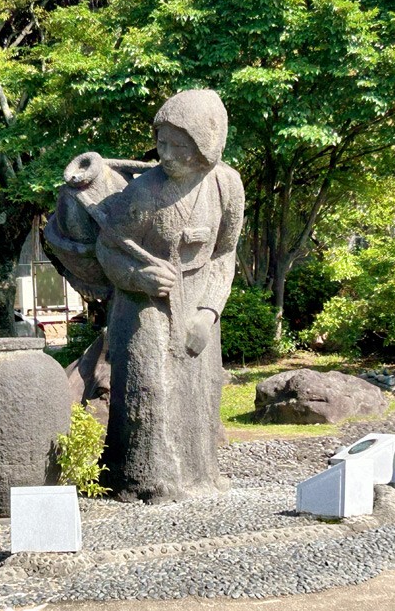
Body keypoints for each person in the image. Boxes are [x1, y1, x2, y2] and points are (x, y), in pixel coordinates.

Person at [95, 89, 245, 502]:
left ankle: (200, 475)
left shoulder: (226, 185)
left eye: (179, 146)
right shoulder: (143, 191)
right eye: (162, 143)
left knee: (200, 389)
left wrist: (209, 311)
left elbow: (225, 253)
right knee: (150, 384)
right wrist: (138, 277)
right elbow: (107, 248)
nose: (167, 155)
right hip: (144, 302)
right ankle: (145, 480)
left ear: (206, 146)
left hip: (199, 298)